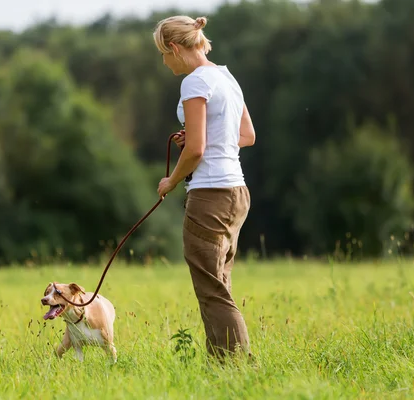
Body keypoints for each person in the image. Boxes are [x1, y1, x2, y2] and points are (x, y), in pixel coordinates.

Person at [153, 15, 256, 361]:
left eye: (163, 55)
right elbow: (246, 137)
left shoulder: (194, 82)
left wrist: (171, 180)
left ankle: (236, 367)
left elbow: (197, 150)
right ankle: (222, 366)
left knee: (211, 289)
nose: (165, 63)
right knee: (219, 283)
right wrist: (202, 141)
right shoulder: (226, 77)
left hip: (210, 194)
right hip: (237, 192)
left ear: (174, 47)